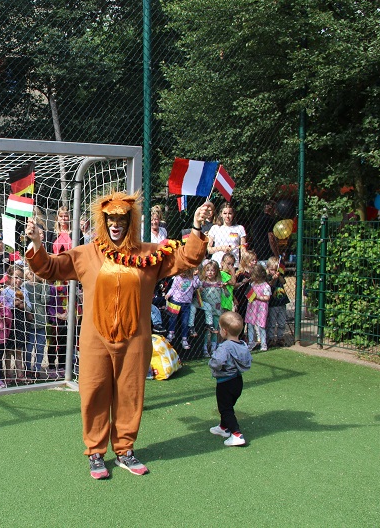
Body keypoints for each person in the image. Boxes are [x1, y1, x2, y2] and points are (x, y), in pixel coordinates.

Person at [25, 190, 211, 479]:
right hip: (95, 339)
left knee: (130, 394)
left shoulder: (150, 254)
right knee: (94, 392)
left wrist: (197, 228)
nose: (115, 224)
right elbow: (49, 268)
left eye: (121, 219)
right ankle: (96, 453)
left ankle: (125, 450)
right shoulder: (87, 254)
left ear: (130, 221)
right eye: (110, 218)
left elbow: (187, 258)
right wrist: (37, 243)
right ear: (103, 220)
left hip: (135, 340)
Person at [208, 311, 251, 447]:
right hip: (237, 381)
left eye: (220, 328)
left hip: (225, 383)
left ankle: (236, 434)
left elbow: (218, 361)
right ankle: (223, 427)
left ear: (225, 331)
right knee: (228, 406)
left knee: (225, 409)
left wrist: (212, 364)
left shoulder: (225, 346)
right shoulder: (243, 345)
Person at [198, 260, 228, 358]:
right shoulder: (202, 283)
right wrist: (199, 290)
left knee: (215, 329)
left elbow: (227, 295)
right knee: (207, 331)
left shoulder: (219, 283)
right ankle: (205, 348)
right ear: (204, 272)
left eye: (212, 270)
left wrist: (224, 288)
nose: (210, 272)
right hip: (206, 311)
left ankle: (214, 349)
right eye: (207, 270)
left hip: (216, 310)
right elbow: (198, 295)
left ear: (216, 272)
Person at [165, 268, 199, 351]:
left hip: (186, 303)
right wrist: (168, 294)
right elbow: (173, 288)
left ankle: (184, 338)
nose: (182, 273)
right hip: (176, 301)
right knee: (172, 318)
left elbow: (196, 286)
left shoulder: (191, 278)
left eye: (185, 271)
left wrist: (195, 276)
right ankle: (171, 333)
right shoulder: (177, 278)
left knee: (185, 322)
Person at [207, 202, 247, 267]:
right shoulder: (215, 228)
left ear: (233, 214)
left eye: (230, 213)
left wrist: (242, 265)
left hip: (233, 265)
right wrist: (222, 248)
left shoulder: (240, 228)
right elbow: (209, 250)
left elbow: (243, 250)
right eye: (225, 213)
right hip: (217, 265)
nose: (227, 216)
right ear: (221, 214)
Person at [245, 264, 271, 351]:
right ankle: (251, 342)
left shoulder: (266, 285)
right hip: (252, 306)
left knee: (261, 326)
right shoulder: (252, 284)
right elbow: (248, 293)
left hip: (261, 308)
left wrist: (258, 297)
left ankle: (263, 344)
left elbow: (267, 297)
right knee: (250, 324)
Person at [266, 257, 290, 347]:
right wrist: (273, 279)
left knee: (282, 322)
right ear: (268, 269)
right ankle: (271, 338)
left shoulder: (280, 276)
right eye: (272, 270)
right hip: (272, 303)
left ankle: (280, 338)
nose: (274, 272)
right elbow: (269, 285)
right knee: (272, 323)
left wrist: (279, 276)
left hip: (282, 302)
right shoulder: (268, 277)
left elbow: (283, 282)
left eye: (276, 270)